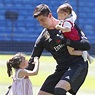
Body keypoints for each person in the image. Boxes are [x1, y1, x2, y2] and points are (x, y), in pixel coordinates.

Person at [27, 4, 91, 95]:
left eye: (42, 20)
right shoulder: (42, 38)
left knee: (59, 89)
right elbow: (33, 58)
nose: (41, 24)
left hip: (78, 65)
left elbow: (87, 46)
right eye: (39, 21)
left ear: (50, 15)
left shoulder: (68, 26)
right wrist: (20, 73)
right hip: (62, 69)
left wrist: (66, 41)